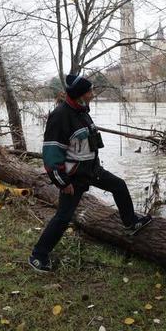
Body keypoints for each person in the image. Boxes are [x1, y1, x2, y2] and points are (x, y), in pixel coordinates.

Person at [29, 74, 152, 273]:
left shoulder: (82, 111)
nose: (93, 95)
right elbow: (51, 156)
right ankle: (38, 255)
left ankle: (130, 222)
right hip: (74, 177)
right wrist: (62, 182)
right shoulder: (60, 116)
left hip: (92, 170)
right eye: (90, 92)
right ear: (79, 94)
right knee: (63, 217)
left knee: (118, 185)